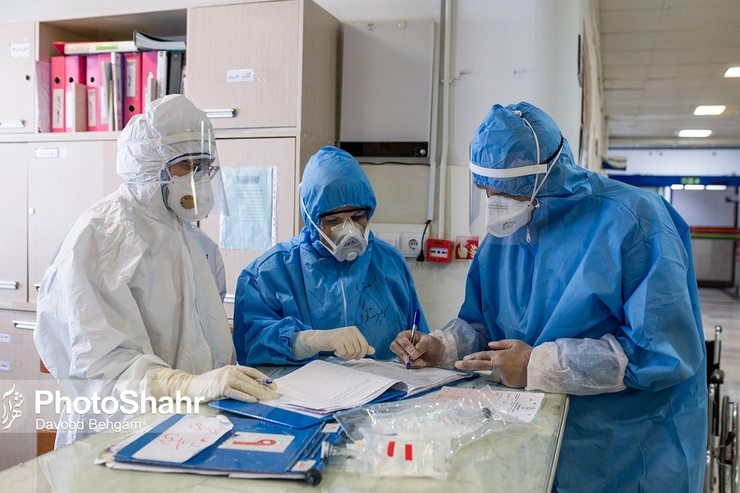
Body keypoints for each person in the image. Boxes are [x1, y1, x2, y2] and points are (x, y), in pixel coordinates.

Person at [392, 102, 707, 492]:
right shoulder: (506, 233)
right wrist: (443, 346)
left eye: (504, 188)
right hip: (527, 432)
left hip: (622, 448)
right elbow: (483, 323)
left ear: (545, 176)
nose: (492, 199)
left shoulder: (634, 220)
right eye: (483, 189)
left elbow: (660, 351)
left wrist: (537, 365)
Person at [34, 95, 278, 448]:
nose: (199, 175)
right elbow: (99, 368)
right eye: (187, 164)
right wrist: (183, 385)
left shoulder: (197, 243)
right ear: (150, 165)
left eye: (205, 164)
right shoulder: (100, 239)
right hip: (116, 438)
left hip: (191, 428)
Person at [233, 146, 428, 365]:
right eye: (333, 221)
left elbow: (417, 334)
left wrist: (417, 348)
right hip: (302, 395)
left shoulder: (390, 262)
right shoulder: (268, 273)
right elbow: (251, 344)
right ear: (310, 217)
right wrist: (307, 341)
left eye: (357, 217)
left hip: (385, 393)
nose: (349, 231)